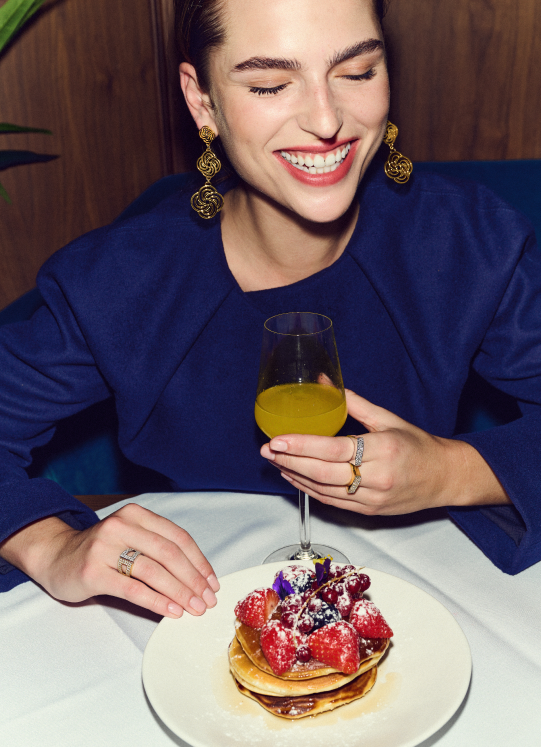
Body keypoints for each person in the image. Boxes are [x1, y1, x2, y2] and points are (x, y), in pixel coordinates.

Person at [0, 0, 540, 617]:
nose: (326, 119)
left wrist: (451, 472)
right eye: (270, 84)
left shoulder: (469, 243)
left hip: (421, 611)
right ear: (203, 102)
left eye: (357, 72)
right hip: (193, 624)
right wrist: (47, 545)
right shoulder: (120, 282)